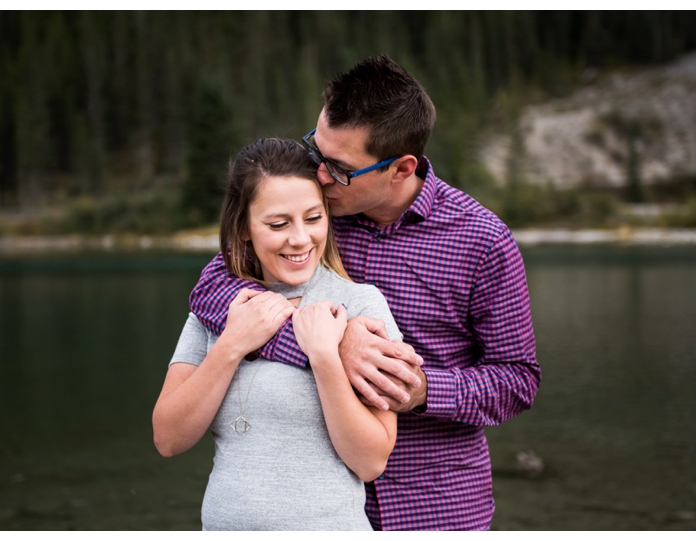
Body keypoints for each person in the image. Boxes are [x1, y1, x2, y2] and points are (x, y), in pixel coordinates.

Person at [188, 56, 541, 530]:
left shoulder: (482, 240)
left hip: (433, 506)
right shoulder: (312, 215)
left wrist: (421, 390)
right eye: (316, 150)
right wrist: (332, 344)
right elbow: (214, 285)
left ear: (401, 168)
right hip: (316, 508)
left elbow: (517, 379)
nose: (321, 175)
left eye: (340, 167)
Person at [152, 138, 403, 531]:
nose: (301, 239)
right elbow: (168, 438)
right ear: (245, 228)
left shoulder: (360, 305)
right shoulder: (216, 307)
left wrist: (324, 358)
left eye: (313, 218)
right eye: (278, 224)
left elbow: (371, 462)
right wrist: (232, 345)